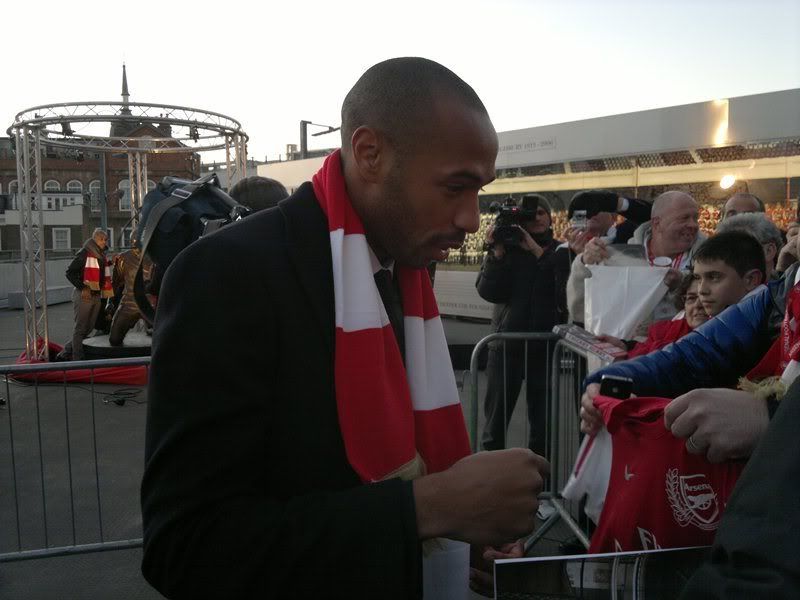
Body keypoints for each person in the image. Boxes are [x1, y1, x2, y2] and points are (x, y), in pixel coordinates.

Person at [141, 57, 549, 600]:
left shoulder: (403, 273)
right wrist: (433, 507)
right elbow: (187, 549)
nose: (472, 218)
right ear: (369, 154)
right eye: (455, 186)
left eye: (479, 191)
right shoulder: (228, 272)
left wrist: (461, 530)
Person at [475, 194, 564, 456]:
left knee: (542, 427)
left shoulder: (559, 252)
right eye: (530, 214)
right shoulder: (507, 250)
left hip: (544, 348)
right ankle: (491, 483)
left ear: (549, 219)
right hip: (505, 347)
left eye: (541, 213)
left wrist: (537, 252)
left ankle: (540, 485)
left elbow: (563, 292)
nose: (536, 217)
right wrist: (498, 254)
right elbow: (488, 291)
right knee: (494, 426)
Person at [567, 190, 706, 327]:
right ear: (657, 223)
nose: (693, 225)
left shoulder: (707, 259)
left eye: (695, 218)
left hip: (683, 346)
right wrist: (584, 263)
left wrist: (681, 283)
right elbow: (581, 312)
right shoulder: (620, 257)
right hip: (628, 347)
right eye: (684, 218)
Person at [60, 227, 112, 360]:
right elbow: (70, 272)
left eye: (106, 239)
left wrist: (111, 262)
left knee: (88, 328)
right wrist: (83, 287)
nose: (105, 242)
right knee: (81, 328)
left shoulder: (100, 255)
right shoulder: (85, 253)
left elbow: (99, 272)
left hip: (96, 295)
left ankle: (67, 350)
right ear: (95, 239)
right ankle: (77, 358)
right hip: (84, 295)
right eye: (102, 239)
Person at [692, 230, 767, 318]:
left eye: (714, 277)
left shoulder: (774, 326)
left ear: (751, 279)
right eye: (698, 278)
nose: (701, 290)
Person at [108, 237, 152, 346]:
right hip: (129, 303)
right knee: (114, 339)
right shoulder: (123, 258)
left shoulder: (154, 257)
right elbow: (115, 282)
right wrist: (110, 301)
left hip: (150, 303)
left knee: (163, 338)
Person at [715, 212, 783, 280]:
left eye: (737, 250)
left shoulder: (789, 288)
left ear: (769, 251)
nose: (727, 260)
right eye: (724, 253)